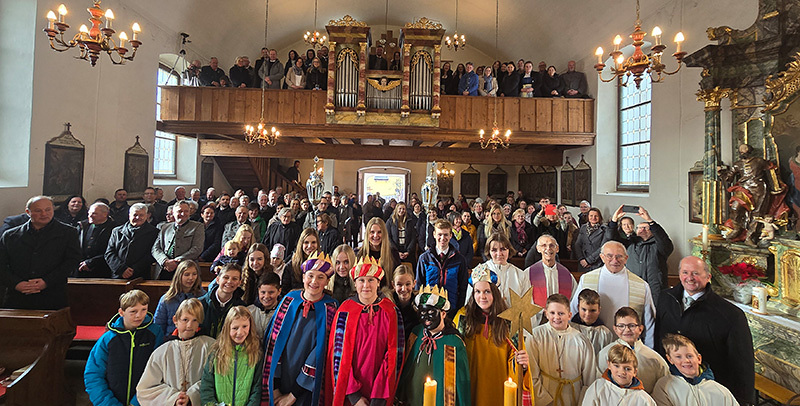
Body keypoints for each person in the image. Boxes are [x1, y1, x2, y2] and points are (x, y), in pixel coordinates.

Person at [654, 255, 754, 404]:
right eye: (685, 272)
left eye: (695, 273)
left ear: (708, 277)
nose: (690, 278)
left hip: (709, 389)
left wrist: (744, 399)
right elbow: (658, 337)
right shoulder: (665, 298)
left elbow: (742, 363)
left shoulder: (730, 314)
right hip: (671, 385)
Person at [260, 252, 338, 406]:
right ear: (303, 277)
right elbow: (274, 343)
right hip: (280, 382)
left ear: (327, 281)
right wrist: (274, 387)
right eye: (310, 275)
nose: (314, 281)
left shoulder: (332, 308)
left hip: (308, 389)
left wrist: (293, 395)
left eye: (321, 277)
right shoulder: (289, 300)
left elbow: (320, 354)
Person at [325, 256, 403, 406]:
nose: (366, 285)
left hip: (380, 393)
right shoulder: (344, 312)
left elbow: (393, 356)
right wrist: (354, 396)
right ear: (355, 283)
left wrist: (379, 396)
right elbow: (338, 356)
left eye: (371, 280)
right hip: (351, 395)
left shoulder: (391, 311)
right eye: (361, 280)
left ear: (378, 282)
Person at [454, 268, 531, 405]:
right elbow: (453, 354)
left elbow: (515, 356)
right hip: (470, 384)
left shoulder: (508, 321)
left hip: (498, 387)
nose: (482, 296)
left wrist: (522, 365)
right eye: (477, 292)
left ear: (495, 293)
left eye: (487, 291)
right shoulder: (462, 317)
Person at [84, 290, 163, 406]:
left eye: (144, 310)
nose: (139, 315)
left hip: (144, 401)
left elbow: (159, 371)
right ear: (121, 312)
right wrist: (108, 403)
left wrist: (137, 402)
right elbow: (93, 374)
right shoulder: (108, 339)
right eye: (133, 311)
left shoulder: (155, 334)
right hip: (111, 401)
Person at [0, 196, 81, 309]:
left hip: (53, 294)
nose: (44, 214)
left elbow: (72, 261)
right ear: (28, 212)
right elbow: (2, 265)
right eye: (38, 210)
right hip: (17, 296)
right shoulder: (11, 235)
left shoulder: (68, 233)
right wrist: (17, 284)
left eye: (48, 210)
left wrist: (46, 282)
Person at [571, 241, 656, 348]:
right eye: (609, 256)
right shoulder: (587, 279)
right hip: (593, 344)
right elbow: (574, 311)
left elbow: (649, 323)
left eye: (619, 256)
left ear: (626, 258)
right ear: (602, 257)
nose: (614, 260)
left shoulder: (641, 285)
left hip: (627, 348)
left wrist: (648, 351)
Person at [399, 285, 471, 406]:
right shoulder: (416, 333)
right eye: (422, 312)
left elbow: (462, 382)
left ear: (443, 314)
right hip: (414, 398)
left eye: (431, 312)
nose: (426, 317)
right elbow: (407, 368)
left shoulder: (454, 342)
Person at [136, 298, 215, 406]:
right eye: (185, 320)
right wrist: (174, 398)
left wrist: (192, 396)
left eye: (195, 320)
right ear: (175, 320)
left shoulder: (210, 346)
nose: (189, 325)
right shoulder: (163, 351)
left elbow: (215, 380)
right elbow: (146, 389)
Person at [530, 293, 597, 406]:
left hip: (574, 398)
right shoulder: (535, 336)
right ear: (546, 314)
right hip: (546, 397)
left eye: (561, 313)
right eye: (552, 313)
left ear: (569, 315)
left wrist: (582, 402)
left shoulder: (582, 340)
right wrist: (544, 400)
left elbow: (589, 378)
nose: (556, 317)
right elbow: (532, 374)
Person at [200, 306, 263, 406]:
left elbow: (257, 387)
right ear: (227, 328)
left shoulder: (256, 352)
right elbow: (206, 386)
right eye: (235, 328)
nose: (240, 332)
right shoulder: (216, 353)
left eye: (245, 326)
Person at [652, 334, 738, 406]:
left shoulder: (720, 391)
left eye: (689, 356)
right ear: (670, 359)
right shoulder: (664, 387)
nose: (686, 361)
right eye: (678, 357)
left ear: (699, 358)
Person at [597, 307, 668, 394]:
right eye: (621, 326)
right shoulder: (605, 354)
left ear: (640, 329)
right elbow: (598, 383)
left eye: (631, 326)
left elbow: (663, 387)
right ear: (615, 329)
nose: (627, 330)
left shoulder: (654, 358)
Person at [612, 205, 673, 305]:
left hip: (655, 288)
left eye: (645, 228)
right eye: (639, 228)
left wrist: (650, 221)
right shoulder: (629, 243)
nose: (641, 230)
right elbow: (611, 240)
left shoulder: (659, 246)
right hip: (633, 286)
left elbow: (665, 241)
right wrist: (614, 221)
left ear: (652, 231)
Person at [416, 219, 469, 318]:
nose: (442, 238)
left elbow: (463, 287)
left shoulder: (460, 259)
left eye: (446, 234)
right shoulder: (424, 258)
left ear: (450, 236)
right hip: (430, 307)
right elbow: (419, 285)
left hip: (451, 308)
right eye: (439, 234)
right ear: (434, 234)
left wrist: (459, 308)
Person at [581, 344, 657, 406]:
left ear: (635, 372)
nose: (622, 372)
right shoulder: (597, 388)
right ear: (609, 365)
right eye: (616, 366)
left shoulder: (643, 399)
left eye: (627, 369)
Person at [527, 234, 578, 323]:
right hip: (539, 320)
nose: (548, 248)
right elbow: (525, 300)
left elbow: (574, 299)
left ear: (557, 249)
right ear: (538, 249)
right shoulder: (528, 273)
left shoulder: (567, 275)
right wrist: (541, 312)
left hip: (560, 320)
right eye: (544, 246)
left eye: (552, 245)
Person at [153, 260, 206, 339]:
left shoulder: (203, 296)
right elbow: (158, 326)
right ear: (179, 276)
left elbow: (203, 322)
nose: (191, 278)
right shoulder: (167, 299)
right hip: (171, 339)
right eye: (187, 274)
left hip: (195, 339)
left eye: (194, 274)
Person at [152, 201, 204, 280]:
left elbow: (197, 248)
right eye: (180, 211)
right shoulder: (164, 227)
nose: (183, 214)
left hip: (186, 269)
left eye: (186, 211)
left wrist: (176, 262)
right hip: (164, 268)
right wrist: (164, 261)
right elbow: (155, 248)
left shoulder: (197, 226)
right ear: (173, 212)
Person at [104, 203, 158, 280]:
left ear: (146, 216)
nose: (138, 217)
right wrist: (121, 269)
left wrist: (133, 270)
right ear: (129, 215)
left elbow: (151, 254)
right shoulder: (117, 231)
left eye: (141, 215)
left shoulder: (154, 232)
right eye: (135, 215)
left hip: (140, 275)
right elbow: (109, 253)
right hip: (118, 274)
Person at [199, 263, 246, 338]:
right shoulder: (200, 304)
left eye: (234, 279)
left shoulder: (241, 307)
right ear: (217, 280)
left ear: (239, 283)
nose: (229, 281)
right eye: (226, 277)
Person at [571, 289, 615, 359]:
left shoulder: (605, 333)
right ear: (578, 307)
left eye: (593, 310)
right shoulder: (570, 329)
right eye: (584, 309)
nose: (588, 314)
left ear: (599, 310)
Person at [75, 202, 114, 278]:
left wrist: (91, 263)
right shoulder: (83, 226)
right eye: (89, 213)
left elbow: (113, 251)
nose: (90, 216)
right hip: (81, 268)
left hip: (102, 270)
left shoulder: (115, 228)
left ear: (105, 214)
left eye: (94, 213)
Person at [358, 217, 401, 285]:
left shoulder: (393, 253)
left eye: (379, 232)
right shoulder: (359, 254)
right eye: (372, 232)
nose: (375, 235)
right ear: (367, 234)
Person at [574, 207, 610, 272]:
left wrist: (589, 260)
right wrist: (581, 259)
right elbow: (578, 244)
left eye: (596, 216)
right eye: (591, 216)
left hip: (597, 263)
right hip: (583, 263)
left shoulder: (604, 229)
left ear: (600, 217)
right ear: (588, 217)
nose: (593, 218)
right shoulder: (583, 227)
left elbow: (603, 247)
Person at [247, 271, 281, 335]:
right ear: (258, 290)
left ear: (279, 291)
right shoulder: (249, 311)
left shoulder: (284, 313)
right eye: (263, 292)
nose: (266, 296)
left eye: (271, 292)